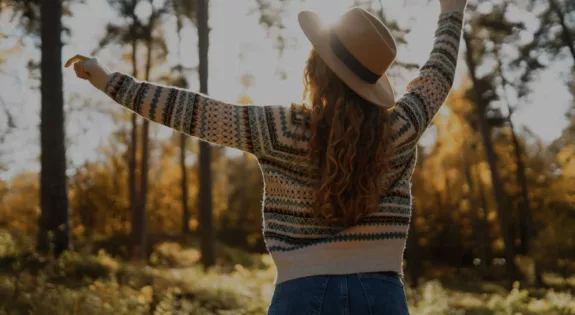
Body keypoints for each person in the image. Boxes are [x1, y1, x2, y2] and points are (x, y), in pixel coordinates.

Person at [67, 0, 466, 313]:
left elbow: (191, 111)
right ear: (371, 80)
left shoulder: (279, 129)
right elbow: (437, 75)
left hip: (301, 294)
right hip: (382, 297)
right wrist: (452, 11)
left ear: (315, 70)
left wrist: (107, 79)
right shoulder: (400, 129)